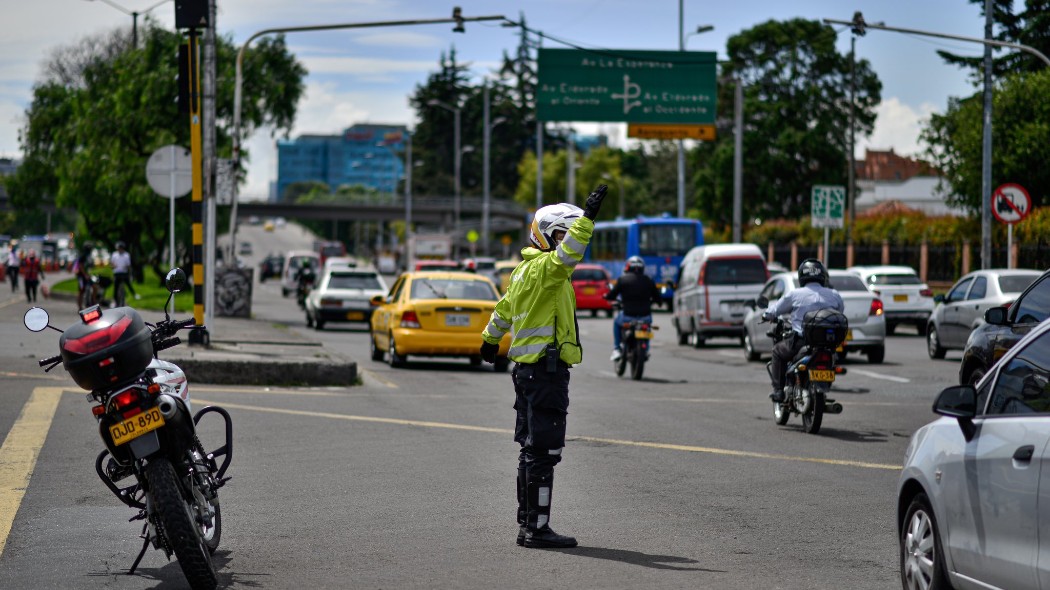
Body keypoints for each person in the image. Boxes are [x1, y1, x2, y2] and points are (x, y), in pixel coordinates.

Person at [480, 184, 608, 549]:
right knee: (544, 452)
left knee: (530, 450)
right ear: (548, 236)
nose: (569, 243)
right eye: (563, 235)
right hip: (544, 370)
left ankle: (528, 525)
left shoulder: (523, 271)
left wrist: (490, 339)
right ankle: (538, 529)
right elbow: (567, 257)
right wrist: (587, 220)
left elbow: (503, 309)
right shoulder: (547, 270)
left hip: (527, 370)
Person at [762, 258, 845, 403]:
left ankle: (779, 391)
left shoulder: (795, 295)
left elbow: (774, 310)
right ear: (822, 275)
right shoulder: (834, 295)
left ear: (802, 276)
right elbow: (840, 311)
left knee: (777, 351)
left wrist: (766, 315)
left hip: (801, 342)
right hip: (828, 345)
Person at [605, 255, 661, 361]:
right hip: (645, 317)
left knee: (617, 322)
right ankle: (646, 350)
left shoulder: (623, 280)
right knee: (647, 328)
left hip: (628, 316)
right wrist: (657, 302)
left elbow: (612, 295)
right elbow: (658, 299)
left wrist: (607, 297)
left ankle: (617, 348)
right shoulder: (649, 280)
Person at [74, 243, 94, 309]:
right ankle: (80, 307)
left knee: (95, 287)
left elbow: (91, 266)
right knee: (81, 291)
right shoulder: (83, 256)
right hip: (81, 276)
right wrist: (85, 275)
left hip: (88, 275)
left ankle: (92, 303)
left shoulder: (89, 256)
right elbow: (81, 266)